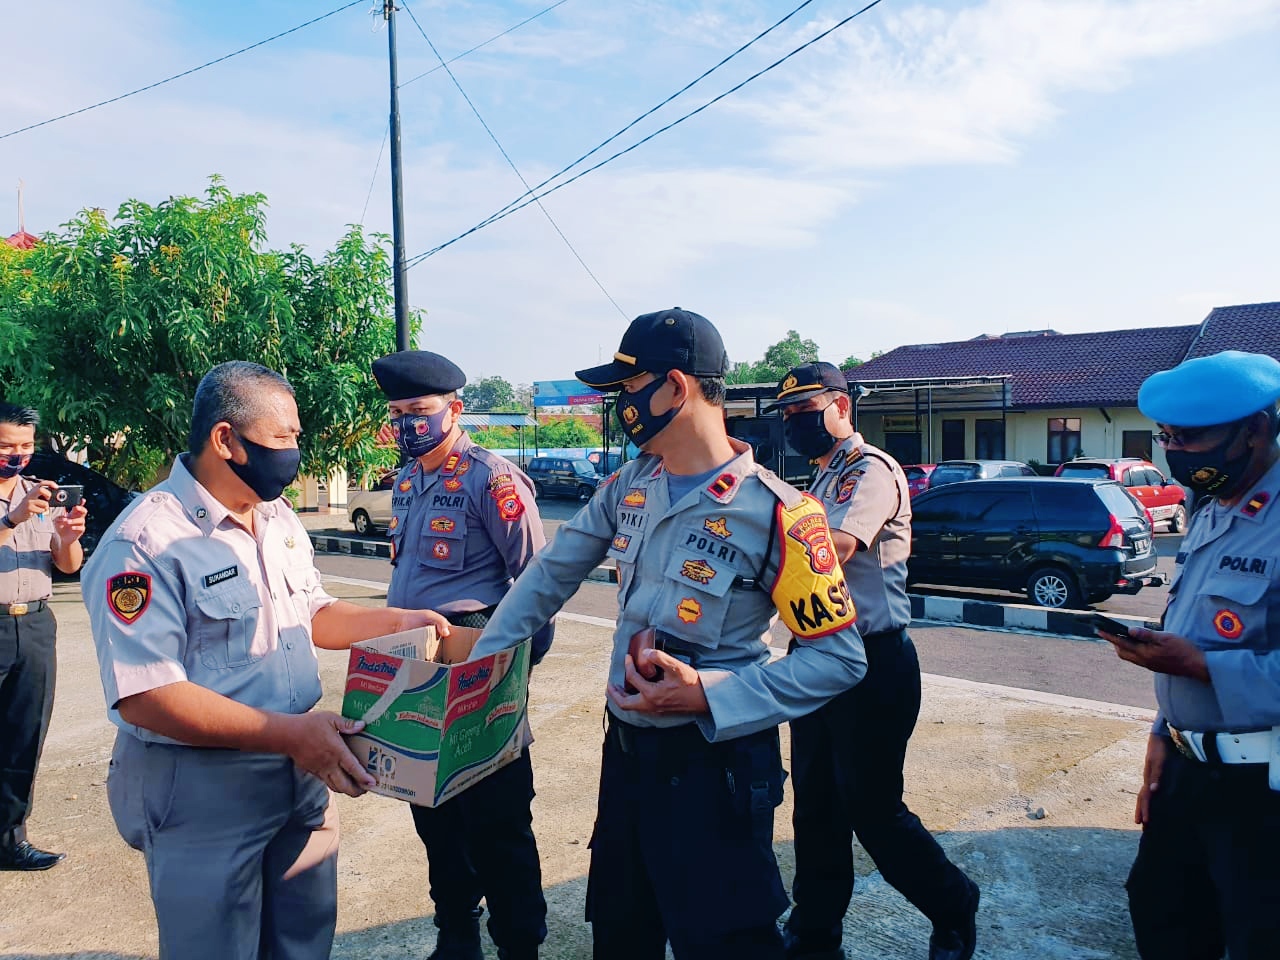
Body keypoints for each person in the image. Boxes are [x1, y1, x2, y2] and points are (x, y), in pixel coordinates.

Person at [469, 307, 869, 960]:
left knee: (725, 942)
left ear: (675, 388)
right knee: (622, 935)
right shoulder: (631, 484)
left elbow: (839, 660)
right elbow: (548, 578)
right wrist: (481, 667)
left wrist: (707, 694)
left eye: (627, 390)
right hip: (627, 760)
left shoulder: (782, 515)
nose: (621, 407)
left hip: (717, 773)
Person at [81, 361, 452, 960]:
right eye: (284, 438)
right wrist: (288, 736)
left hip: (303, 769)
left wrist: (398, 622)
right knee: (216, 946)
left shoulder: (276, 516)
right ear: (226, 439)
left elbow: (312, 614)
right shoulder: (145, 542)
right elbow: (145, 694)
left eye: (297, 438)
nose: (296, 454)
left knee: (303, 941)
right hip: (204, 786)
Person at [766, 363, 980, 960]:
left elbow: (835, 547)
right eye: (786, 413)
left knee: (872, 809)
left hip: (871, 660)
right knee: (815, 806)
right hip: (813, 655)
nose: (794, 421)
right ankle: (814, 934)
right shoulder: (819, 476)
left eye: (803, 408)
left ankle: (953, 902)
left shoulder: (872, 470)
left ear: (840, 405)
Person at [1097, 349, 1280, 960]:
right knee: (1161, 911)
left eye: (1193, 437)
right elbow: (1196, 631)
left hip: (1263, 788)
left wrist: (1201, 667)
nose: (1175, 451)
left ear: (1256, 429)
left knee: (1256, 933)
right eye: (1167, 436)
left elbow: (1202, 655)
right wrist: (1162, 736)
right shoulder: (1212, 508)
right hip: (1187, 768)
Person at [370, 350, 552, 960]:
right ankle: (457, 930)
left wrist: (507, 671)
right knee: (430, 804)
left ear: (456, 408)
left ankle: (519, 941)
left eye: (418, 411)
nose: (406, 424)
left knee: (496, 815)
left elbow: (535, 584)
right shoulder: (406, 480)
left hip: (480, 649)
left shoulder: (492, 479)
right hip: (416, 655)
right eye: (398, 413)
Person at [0, 403, 87, 871]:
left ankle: (10, 839)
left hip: (34, 623)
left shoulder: (41, 495)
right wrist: (11, 520)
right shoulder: (19, 507)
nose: (18, 455)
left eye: (26, 446)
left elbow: (67, 566)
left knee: (23, 736)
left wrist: (67, 535)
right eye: (7, 446)